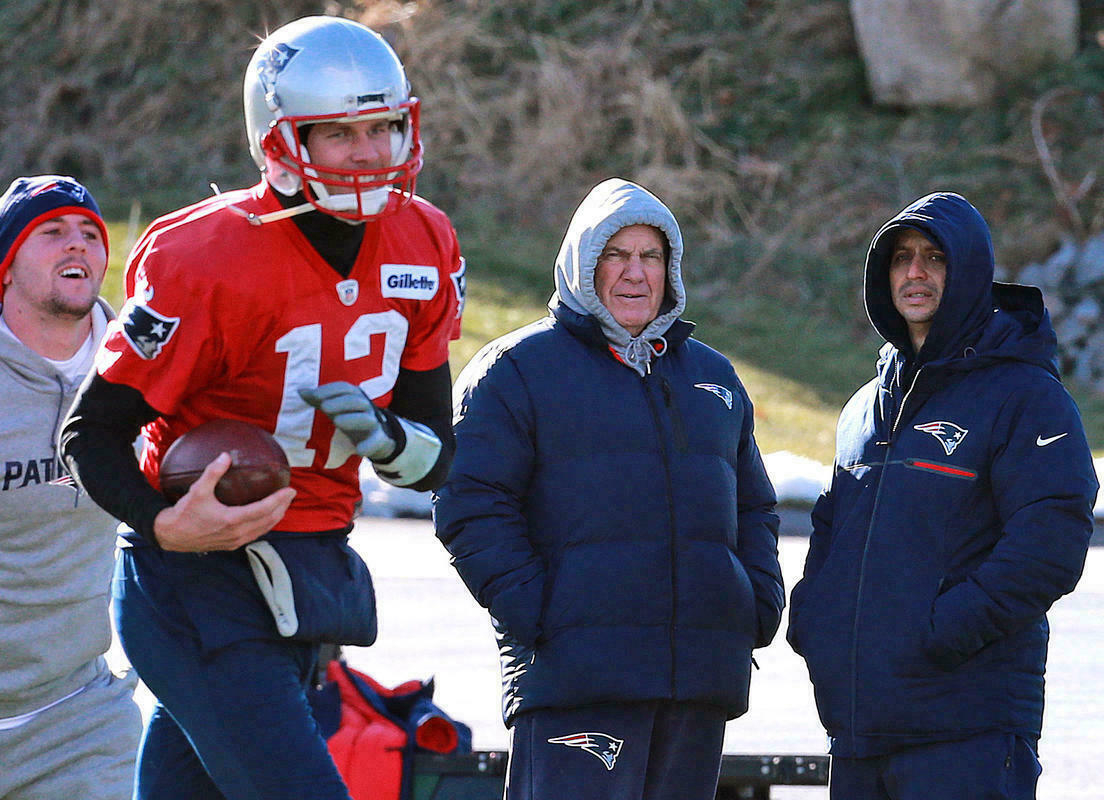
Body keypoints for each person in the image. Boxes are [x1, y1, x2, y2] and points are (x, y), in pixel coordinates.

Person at [59, 16, 465, 800]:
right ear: (280, 142)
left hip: (309, 580)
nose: (370, 152)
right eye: (339, 133)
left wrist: (388, 439)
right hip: (195, 585)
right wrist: (163, 522)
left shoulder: (424, 240)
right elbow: (91, 432)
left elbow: (435, 458)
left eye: (382, 127)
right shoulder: (205, 257)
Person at [433, 178, 785, 800]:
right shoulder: (516, 370)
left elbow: (754, 506)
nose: (635, 273)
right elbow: (470, 505)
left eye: (651, 256)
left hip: (698, 680)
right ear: (582, 265)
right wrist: (539, 614)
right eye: (615, 255)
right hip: (577, 680)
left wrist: (752, 604)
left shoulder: (714, 377)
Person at [786, 192, 1099, 799]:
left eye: (935, 258)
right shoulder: (865, 407)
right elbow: (830, 529)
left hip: (966, 730)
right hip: (860, 733)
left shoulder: (1026, 394)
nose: (916, 272)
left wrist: (939, 632)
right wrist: (816, 623)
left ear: (970, 272)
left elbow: (1051, 543)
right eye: (901, 257)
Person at [0, 175, 142, 798]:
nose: (77, 243)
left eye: (90, 233)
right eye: (51, 231)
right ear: (6, 266)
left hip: (77, 718)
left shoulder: (140, 368)